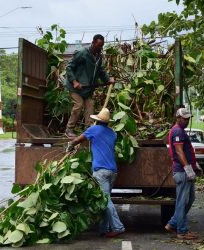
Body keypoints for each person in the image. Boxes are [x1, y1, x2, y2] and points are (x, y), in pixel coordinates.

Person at [66, 108, 125, 237]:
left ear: (97, 121)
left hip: (101, 170)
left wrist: (70, 145)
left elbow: (78, 140)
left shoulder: (93, 130)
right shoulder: (113, 133)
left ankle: (118, 226)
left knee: (105, 200)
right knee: (104, 200)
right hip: (112, 171)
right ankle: (104, 228)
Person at [64, 34, 115, 138]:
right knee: (79, 105)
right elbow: (69, 67)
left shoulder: (98, 57)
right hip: (75, 87)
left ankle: (89, 131)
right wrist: (74, 81)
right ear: (93, 43)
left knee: (90, 106)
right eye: (99, 46)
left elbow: (100, 70)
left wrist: (108, 79)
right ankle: (69, 130)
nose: (100, 48)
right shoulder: (82, 53)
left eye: (102, 46)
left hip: (87, 89)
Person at [165, 108, 202, 240]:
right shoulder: (177, 131)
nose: (186, 121)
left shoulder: (180, 131)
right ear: (178, 117)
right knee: (182, 202)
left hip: (185, 171)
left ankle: (173, 223)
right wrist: (188, 168)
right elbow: (179, 152)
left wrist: (194, 165)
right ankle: (182, 231)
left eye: (188, 119)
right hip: (182, 172)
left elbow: (186, 151)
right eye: (184, 118)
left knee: (190, 199)